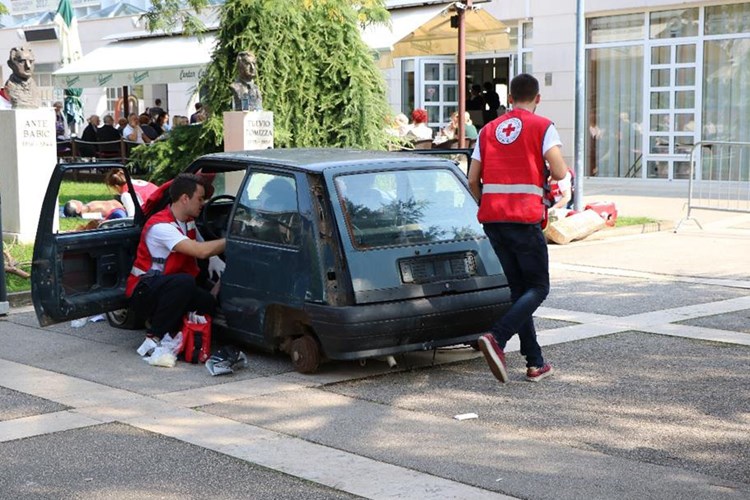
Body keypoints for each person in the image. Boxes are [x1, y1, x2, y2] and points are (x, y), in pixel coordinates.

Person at [468, 73, 568, 383]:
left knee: (518, 290)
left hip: (494, 220)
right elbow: (561, 171)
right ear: (538, 98)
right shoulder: (542, 127)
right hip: (524, 220)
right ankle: (497, 338)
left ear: (510, 98)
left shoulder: (487, 130)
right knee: (539, 288)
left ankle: (535, 362)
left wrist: (487, 202)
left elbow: (472, 179)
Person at [126, 173, 226, 346]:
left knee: (207, 302)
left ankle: (179, 332)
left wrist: (217, 260)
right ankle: (153, 337)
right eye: (200, 199)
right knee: (185, 282)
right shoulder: (161, 226)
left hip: (168, 286)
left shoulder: (188, 221)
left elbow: (206, 246)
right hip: (143, 291)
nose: (203, 204)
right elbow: (200, 251)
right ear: (185, 198)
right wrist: (233, 241)